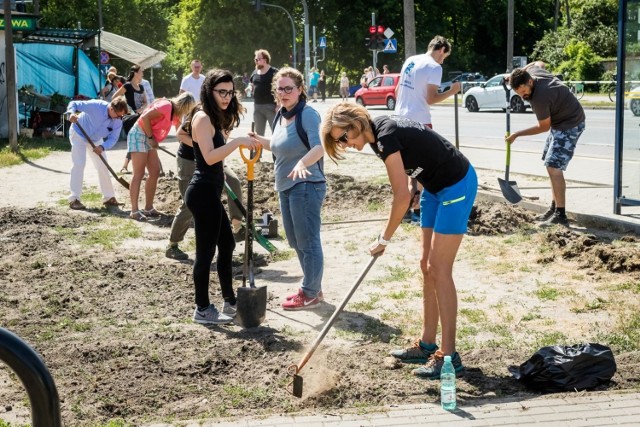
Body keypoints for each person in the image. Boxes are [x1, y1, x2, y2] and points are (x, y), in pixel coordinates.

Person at [322, 103, 477, 380]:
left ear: (355, 122)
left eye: (344, 137)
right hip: (432, 187)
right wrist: (413, 185)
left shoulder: (385, 135)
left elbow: (400, 200)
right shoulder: (375, 137)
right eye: (339, 142)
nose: (345, 144)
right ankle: (427, 344)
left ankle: (450, 356)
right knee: (426, 266)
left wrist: (384, 239)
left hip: (456, 184)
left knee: (440, 269)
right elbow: (412, 162)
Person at [183, 69, 259, 324]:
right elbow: (209, 157)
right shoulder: (203, 118)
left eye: (230, 92)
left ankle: (229, 302)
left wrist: (237, 139)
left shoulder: (214, 118)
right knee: (204, 253)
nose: (227, 97)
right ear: (209, 91)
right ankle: (202, 308)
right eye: (221, 92)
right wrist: (236, 142)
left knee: (227, 244)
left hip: (210, 190)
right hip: (202, 192)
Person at [247, 67, 326, 310]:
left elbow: (320, 147)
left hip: (306, 184)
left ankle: (311, 292)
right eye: (280, 89)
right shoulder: (280, 115)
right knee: (294, 240)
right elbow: (279, 145)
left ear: (300, 89)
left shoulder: (309, 115)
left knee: (308, 240)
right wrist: (258, 141)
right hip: (285, 185)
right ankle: (311, 287)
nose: (283, 93)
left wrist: (303, 163)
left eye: (288, 88)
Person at [507, 61, 586, 226]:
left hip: (570, 124)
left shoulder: (540, 97)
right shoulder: (533, 73)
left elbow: (543, 126)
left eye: (523, 92)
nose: (523, 96)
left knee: (554, 167)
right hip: (561, 121)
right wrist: (513, 75)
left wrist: (517, 134)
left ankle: (561, 215)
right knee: (550, 165)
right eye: (519, 93)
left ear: (530, 82)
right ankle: (555, 207)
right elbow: (538, 63)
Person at [394, 35, 461, 224]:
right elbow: (431, 99)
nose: (443, 60)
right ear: (441, 50)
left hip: (399, 118)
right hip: (420, 121)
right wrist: (452, 91)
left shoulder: (411, 60)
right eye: (444, 57)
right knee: (424, 169)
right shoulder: (434, 66)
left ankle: (406, 210)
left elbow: (398, 90)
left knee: (410, 169)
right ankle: (419, 211)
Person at [165, 132, 246, 261]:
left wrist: (220, 166)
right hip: (189, 160)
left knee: (233, 181)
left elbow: (222, 143)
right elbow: (180, 134)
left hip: (213, 159)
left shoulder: (229, 115)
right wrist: (201, 146)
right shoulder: (200, 114)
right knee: (190, 203)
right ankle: (172, 245)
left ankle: (237, 226)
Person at [127, 92, 196, 221]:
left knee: (155, 171)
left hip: (149, 136)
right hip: (139, 134)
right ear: (184, 106)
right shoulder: (166, 106)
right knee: (139, 173)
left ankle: (148, 208)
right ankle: (134, 211)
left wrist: (184, 151)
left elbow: (179, 132)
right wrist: (150, 138)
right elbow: (145, 117)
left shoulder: (175, 114)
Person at [65, 96, 128, 210]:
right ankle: (74, 199)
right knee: (79, 164)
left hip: (96, 139)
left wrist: (102, 147)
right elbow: (74, 103)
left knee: (103, 166)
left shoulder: (118, 121)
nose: (120, 118)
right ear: (112, 109)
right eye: (119, 115)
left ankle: (109, 198)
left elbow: (113, 138)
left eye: (121, 116)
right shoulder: (96, 105)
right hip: (79, 133)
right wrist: (71, 113)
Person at [114, 64, 149, 174]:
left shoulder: (141, 87)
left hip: (139, 116)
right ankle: (127, 166)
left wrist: (141, 109)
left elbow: (146, 102)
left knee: (139, 140)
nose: (143, 74)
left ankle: (126, 165)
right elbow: (115, 97)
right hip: (130, 118)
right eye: (141, 72)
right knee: (137, 139)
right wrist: (126, 108)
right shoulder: (128, 86)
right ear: (135, 73)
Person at [250, 49, 278, 137]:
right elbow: (252, 84)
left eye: (258, 59)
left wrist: (279, 104)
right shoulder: (254, 72)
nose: (256, 61)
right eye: (255, 60)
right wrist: (249, 88)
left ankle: (276, 151)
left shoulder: (274, 72)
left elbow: (279, 89)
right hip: (257, 106)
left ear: (265, 60)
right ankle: (258, 151)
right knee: (258, 134)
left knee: (276, 132)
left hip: (271, 106)